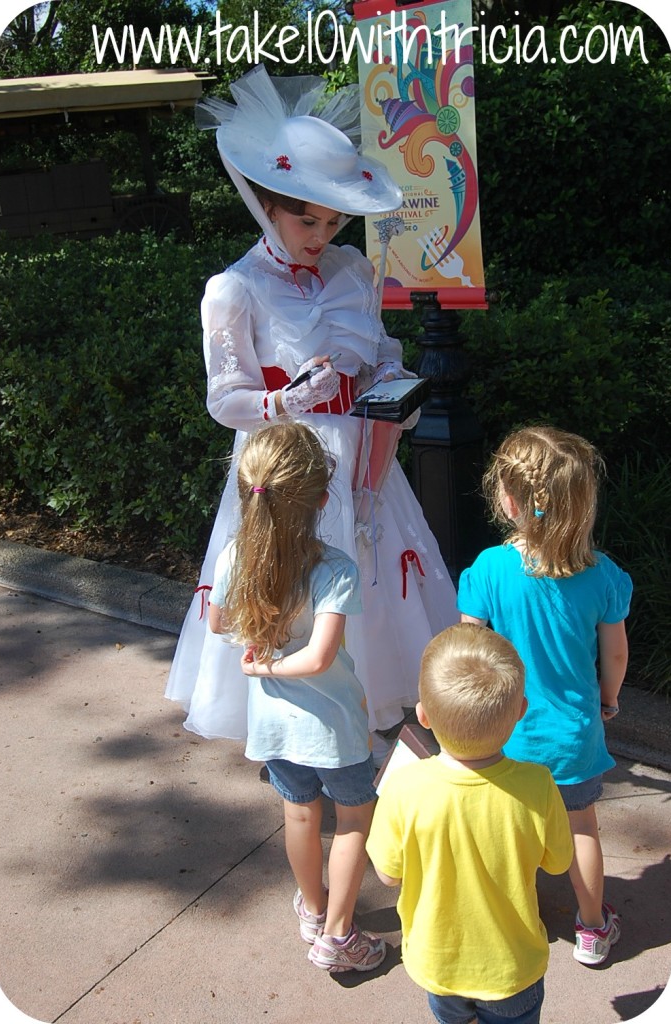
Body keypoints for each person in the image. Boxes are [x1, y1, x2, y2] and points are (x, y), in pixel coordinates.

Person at [165, 65, 457, 754]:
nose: (322, 233)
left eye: (333, 219)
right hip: (288, 465)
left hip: (364, 457)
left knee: (375, 582)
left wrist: (394, 386)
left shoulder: (354, 270)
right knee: (292, 585)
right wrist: (282, 400)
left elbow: (381, 351)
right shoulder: (232, 289)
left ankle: (374, 714)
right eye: (308, 218)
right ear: (267, 202)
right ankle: (298, 726)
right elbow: (223, 398)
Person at [207, 421, 385, 973]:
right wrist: (277, 663)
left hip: (274, 728)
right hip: (335, 727)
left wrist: (258, 660)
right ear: (322, 497)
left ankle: (312, 909)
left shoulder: (235, 555)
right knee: (355, 818)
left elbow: (216, 621)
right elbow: (320, 659)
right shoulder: (335, 569)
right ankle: (338, 935)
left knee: (300, 815)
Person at [458, 425, 633, 967]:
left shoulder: (488, 569)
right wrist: (607, 701)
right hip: (573, 735)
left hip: (505, 734)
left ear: (507, 500)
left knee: (508, 834)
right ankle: (592, 927)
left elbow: (469, 649)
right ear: (582, 503)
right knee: (581, 827)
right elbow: (616, 656)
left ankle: (514, 921)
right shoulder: (603, 576)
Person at [367, 623, 573, 1024]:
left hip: (439, 965)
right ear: (520, 713)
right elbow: (559, 862)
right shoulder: (538, 785)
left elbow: (388, 875)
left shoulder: (404, 786)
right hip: (513, 968)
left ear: (423, 716)